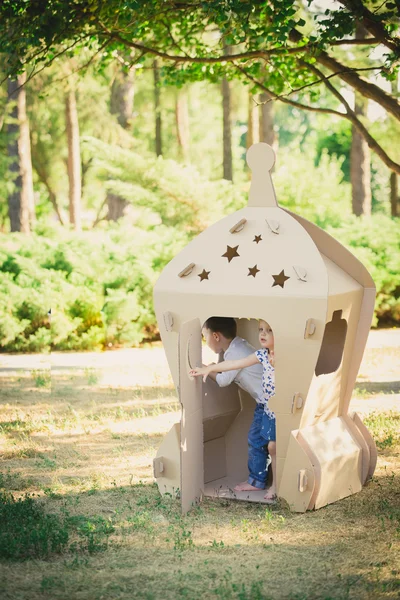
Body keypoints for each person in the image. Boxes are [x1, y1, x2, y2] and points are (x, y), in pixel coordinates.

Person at [194, 317, 276, 502]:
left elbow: (223, 380)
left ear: (215, 336)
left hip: (268, 403)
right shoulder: (238, 346)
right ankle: (261, 479)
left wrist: (208, 369)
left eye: (204, 336)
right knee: (261, 441)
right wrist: (212, 367)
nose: (205, 340)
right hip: (264, 402)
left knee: (258, 441)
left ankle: (258, 480)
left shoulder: (234, 353)